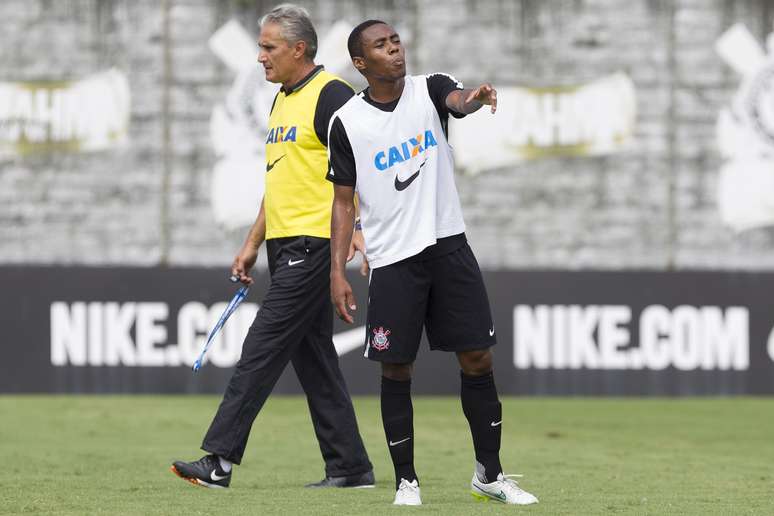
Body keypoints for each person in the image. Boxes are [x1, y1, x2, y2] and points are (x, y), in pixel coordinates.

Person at [327, 20, 539, 506]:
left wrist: (477, 97)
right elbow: (342, 202)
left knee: (478, 358)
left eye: (395, 41)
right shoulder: (348, 122)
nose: (394, 49)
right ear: (362, 64)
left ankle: (490, 474)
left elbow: (457, 103)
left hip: (448, 247)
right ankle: (407, 481)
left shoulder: (430, 89)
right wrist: (337, 270)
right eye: (380, 46)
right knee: (396, 369)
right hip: (394, 260)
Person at [170, 4, 373, 489]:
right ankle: (350, 468)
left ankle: (218, 461)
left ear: (299, 49)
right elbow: (279, 183)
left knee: (259, 349)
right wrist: (250, 244)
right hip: (283, 247)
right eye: (260, 46)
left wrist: (360, 233)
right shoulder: (282, 99)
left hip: (316, 243)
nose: (260, 56)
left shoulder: (332, 94)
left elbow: (361, 167)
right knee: (316, 360)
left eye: (268, 47)